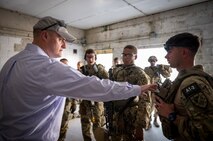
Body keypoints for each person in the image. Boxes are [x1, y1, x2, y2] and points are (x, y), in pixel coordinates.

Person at [0, 16, 157, 141]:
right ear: (45, 35)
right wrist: (136, 89)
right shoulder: (46, 67)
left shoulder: (12, 61)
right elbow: (95, 86)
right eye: (61, 39)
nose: (64, 45)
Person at [155, 32, 213, 141]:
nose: (166, 56)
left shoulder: (191, 83)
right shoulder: (183, 80)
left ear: (184, 52)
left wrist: (171, 115)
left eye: (170, 51)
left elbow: (207, 132)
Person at [107, 45, 151, 141]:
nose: (125, 57)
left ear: (135, 57)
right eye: (124, 54)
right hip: (116, 112)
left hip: (132, 115)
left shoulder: (140, 74)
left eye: (129, 55)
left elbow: (145, 100)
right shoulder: (117, 71)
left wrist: (140, 125)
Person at [79, 49, 109, 141]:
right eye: (88, 57)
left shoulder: (100, 69)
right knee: (85, 123)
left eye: (92, 57)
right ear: (85, 57)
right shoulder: (82, 70)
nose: (90, 59)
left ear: (95, 57)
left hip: (97, 101)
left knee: (97, 124)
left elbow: (108, 83)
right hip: (85, 101)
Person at [144, 56, 172, 129]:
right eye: (151, 60)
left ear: (156, 61)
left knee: (157, 105)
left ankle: (155, 120)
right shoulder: (146, 69)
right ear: (149, 61)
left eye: (153, 60)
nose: (152, 62)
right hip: (149, 89)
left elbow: (167, 75)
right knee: (149, 106)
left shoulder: (159, 68)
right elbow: (143, 78)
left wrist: (162, 68)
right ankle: (149, 121)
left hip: (158, 89)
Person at [58, 58, 77, 141]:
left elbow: (73, 92)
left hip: (66, 105)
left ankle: (62, 139)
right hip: (56, 107)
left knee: (64, 124)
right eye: (62, 64)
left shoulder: (70, 77)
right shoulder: (54, 76)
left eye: (66, 65)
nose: (64, 66)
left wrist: (74, 104)